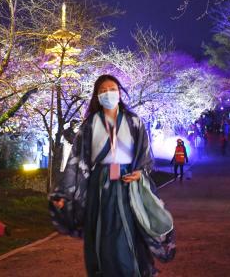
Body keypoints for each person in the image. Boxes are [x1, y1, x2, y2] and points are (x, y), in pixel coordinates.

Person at [50, 74, 172, 276]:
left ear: (119, 92)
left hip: (127, 184)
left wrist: (140, 173)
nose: (108, 93)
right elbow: (76, 159)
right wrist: (64, 193)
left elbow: (144, 154)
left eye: (112, 89)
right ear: (97, 96)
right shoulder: (89, 125)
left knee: (128, 233)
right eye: (103, 91)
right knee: (103, 235)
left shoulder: (134, 122)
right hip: (99, 185)